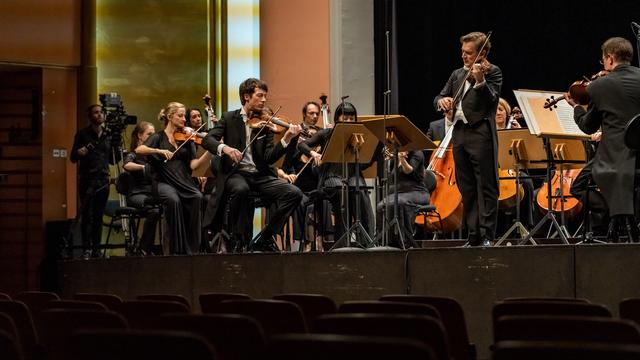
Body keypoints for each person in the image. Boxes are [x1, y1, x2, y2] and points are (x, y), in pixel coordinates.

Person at [201, 78, 303, 252]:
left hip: (259, 175)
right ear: (247, 96)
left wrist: (286, 139)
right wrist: (224, 148)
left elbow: (269, 158)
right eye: (260, 96)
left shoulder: (265, 124)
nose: (264, 100)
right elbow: (207, 139)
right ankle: (238, 238)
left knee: (294, 193)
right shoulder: (229, 118)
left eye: (265, 96)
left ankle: (265, 237)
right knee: (241, 189)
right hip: (236, 173)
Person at [567, 37, 640, 242]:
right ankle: (627, 215)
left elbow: (588, 126)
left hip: (613, 158)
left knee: (578, 185)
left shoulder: (600, 86)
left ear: (609, 58)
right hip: (638, 159)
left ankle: (617, 213)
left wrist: (576, 108)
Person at [434, 31, 502, 247]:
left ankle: (488, 235)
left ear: (482, 53)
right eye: (463, 52)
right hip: (460, 133)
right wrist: (442, 101)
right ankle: (473, 236)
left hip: (481, 132)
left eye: (469, 53)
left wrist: (480, 79)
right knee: (467, 187)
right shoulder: (456, 74)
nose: (464, 56)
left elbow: (492, 100)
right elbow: (439, 96)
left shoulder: (493, 72)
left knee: (486, 186)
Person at [298, 102, 380, 248]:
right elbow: (302, 145)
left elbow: (364, 163)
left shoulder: (359, 135)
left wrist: (373, 153)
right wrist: (313, 153)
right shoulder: (326, 133)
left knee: (360, 189)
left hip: (352, 175)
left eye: (351, 118)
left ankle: (367, 241)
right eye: (345, 117)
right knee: (341, 190)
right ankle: (342, 243)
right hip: (331, 176)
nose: (348, 121)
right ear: (337, 118)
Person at [135, 102, 212, 254]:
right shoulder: (158, 137)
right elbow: (139, 149)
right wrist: (159, 150)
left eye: (184, 116)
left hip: (182, 180)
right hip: (163, 181)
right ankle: (174, 249)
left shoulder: (187, 138)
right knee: (173, 199)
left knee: (197, 197)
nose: (184, 119)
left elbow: (194, 165)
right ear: (170, 117)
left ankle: (192, 248)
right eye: (181, 115)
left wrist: (210, 151)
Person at [70, 104, 119, 259]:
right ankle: (86, 249)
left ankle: (97, 249)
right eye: (95, 113)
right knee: (87, 216)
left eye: (101, 112)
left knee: (98, 216)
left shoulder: (109, 135)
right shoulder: (82, 134)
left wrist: (117, 146)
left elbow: (113, 160)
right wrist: (80, 151)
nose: (99, 115)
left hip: (103, 180)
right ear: (90, 117)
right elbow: (72, 157)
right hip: (87, 179)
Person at [494, 98, 535, 235]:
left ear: (507, 113)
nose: (498, 113)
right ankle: (494, 231)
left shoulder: (513, 128)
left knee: (527, 182)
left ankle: (526, 226)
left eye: (501, 110)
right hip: (493, 172)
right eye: (495, 110)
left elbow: (525, 156)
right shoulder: (488, 132)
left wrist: (519, 133)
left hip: (512, 171)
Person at [376, 150, 430, 248]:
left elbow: (409, 171)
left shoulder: (417, 153)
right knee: (381, 206)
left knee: (400, 203)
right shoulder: (395, 157)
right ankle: (386, 241)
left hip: (416, 191)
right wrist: (390, 159)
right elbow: (391, 177)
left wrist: (402, 159)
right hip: (399, 193)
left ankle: (405, 241)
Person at [122, 121, 161, 255]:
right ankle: (144, 247)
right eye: (149, 134)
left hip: (151, 194)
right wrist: (143, 167)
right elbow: (126, 165)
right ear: (140, 135)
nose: (153, 136)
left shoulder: (153, 156)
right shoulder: (133, 154)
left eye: (154, 134)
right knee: (154, 211)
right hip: (136, 194)